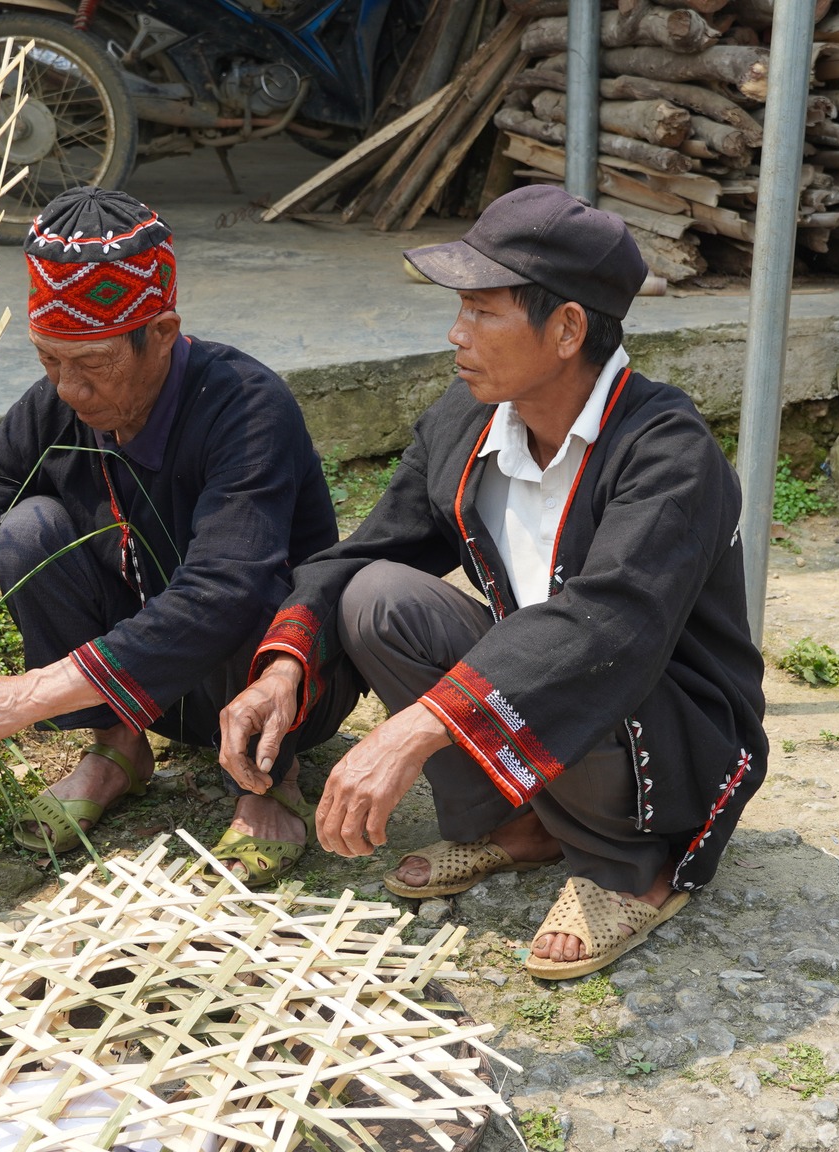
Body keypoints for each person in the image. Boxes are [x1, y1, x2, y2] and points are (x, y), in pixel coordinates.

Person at [218, 185, 768, 979]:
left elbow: (608, 625)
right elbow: (365, 553)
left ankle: (625, 862)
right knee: (378, 595)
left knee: (587, 652)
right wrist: (282, 670)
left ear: (567, 328)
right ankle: (518, 824)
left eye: (482, 311)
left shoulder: (668, 453)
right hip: (539, 700)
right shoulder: (469, 420)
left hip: (663, 725)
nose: (456, 334)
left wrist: (412, 729)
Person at [0, 186, 358, 883]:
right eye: (48, 361)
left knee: (234, 584)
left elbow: (223, 592)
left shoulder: (245, 406)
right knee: (26, 531)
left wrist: (22, 696)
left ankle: (271, 779)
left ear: (163, 333)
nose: (67, 390)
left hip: (278, 691)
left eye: (92, 365)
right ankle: (117, 748)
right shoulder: (50, 410)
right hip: (146, 684)